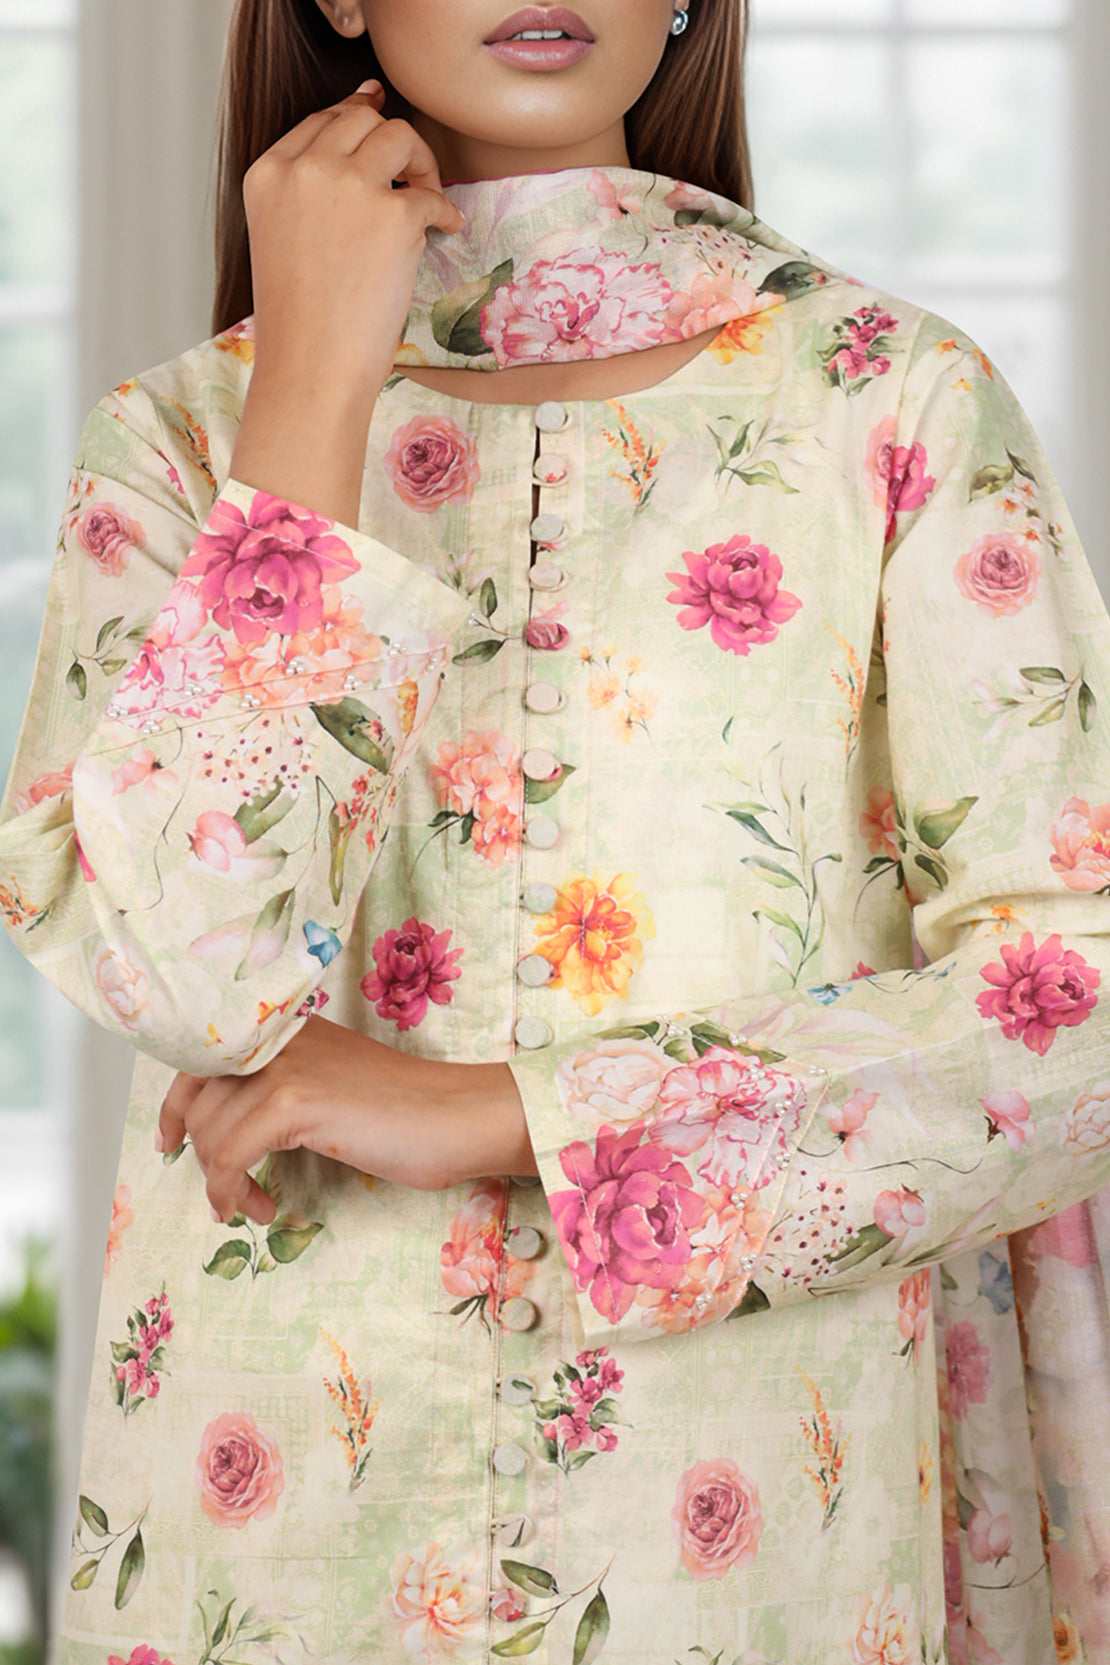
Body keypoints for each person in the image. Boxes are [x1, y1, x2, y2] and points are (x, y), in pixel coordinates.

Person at [1, 0, 1109, 1659]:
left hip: (747, 1509)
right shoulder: (177, 446)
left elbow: (1073, 1015)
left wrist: (503, 1111)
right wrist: (311, 386)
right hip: (278, 1515)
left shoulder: (890, 405)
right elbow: (190, 982)